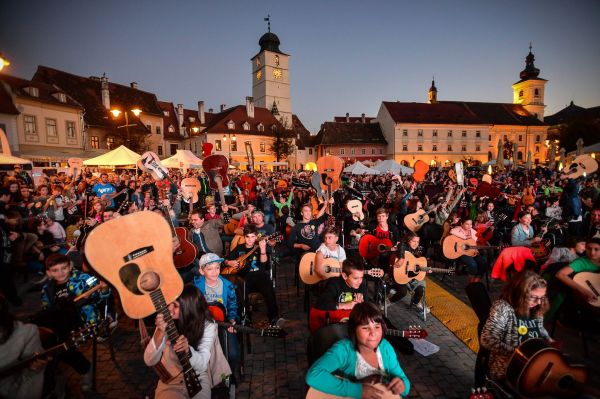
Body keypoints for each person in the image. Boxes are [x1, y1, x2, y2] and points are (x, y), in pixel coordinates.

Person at [306, 301, 410, 399]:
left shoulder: (385, 348)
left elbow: (404, 382)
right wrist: (357, 391)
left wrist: (403, 385)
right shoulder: (344, 350)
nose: (373, 333)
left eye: (377, 327)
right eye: (365, 328)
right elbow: (313, 376)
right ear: (353, 330)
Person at [144, 285, 218, 399]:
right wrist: (159, 332)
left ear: (189, 308)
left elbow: (202, 365)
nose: (169, 309)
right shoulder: (166, 321)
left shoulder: (208, 325)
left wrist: (189, 351)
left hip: (198, 378)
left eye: (176, 306)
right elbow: (149, 360)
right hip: (171, 381)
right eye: (170, 303)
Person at [480, 270, 551, 383]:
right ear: (519, 293)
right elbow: (487, 340)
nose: (538, 302)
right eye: (533, 297)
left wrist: (548, 339)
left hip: (533, 366)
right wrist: (519, 355)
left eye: (542, 297)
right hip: (507, 370)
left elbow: (539, 328)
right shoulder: (503, 308)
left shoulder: (536, 308)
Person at [193, 253, 241, 380]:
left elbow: (232, 306)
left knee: (233, 353)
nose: (214, 272)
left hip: (223, 322)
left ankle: (231, 373)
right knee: (200, 352)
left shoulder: (227, 285)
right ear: (201, 271)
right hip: (202, 324)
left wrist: (232, 319)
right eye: (209, 269)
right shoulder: (196, 285)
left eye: (217, 267)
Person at [224, 224, 283, 327]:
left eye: (252, 237)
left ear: (256, 236)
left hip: (259, 276)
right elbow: (225, 260)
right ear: (244, 237)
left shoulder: (259, 247)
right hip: (244, 277)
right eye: (247, 237)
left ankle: (273, 317)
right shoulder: (239, 248)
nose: (250, 240)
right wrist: (230, 263)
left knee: (268, 285)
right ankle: (245, 316)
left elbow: (264, 266)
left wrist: (263, 250)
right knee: (239, 288)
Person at [389, 232, 429, 313]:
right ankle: (390, 301)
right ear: (408, 240)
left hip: (410, 276)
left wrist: (425, 269)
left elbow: (418, 263)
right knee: (403, 292)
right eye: (414, 241)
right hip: (399, 275)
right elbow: (401, 256)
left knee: (421, 288)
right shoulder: (403, 245)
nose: (416, 244)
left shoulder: (417, 250)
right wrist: (401, 259)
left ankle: (415, 303)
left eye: (418, 242)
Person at [449, 216, 488, 283]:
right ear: (461, 224)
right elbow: (452, 231)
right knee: (473, 264)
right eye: (467, 224)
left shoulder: (473, 232)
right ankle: (471, 279)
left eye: (471, 224)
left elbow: (475, 243)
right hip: (461, 252)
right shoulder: (457, 229)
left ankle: (477, 278)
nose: (469, 226)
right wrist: (465, 238)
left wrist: (476, 249)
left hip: (471, 251)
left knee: (483, 262)